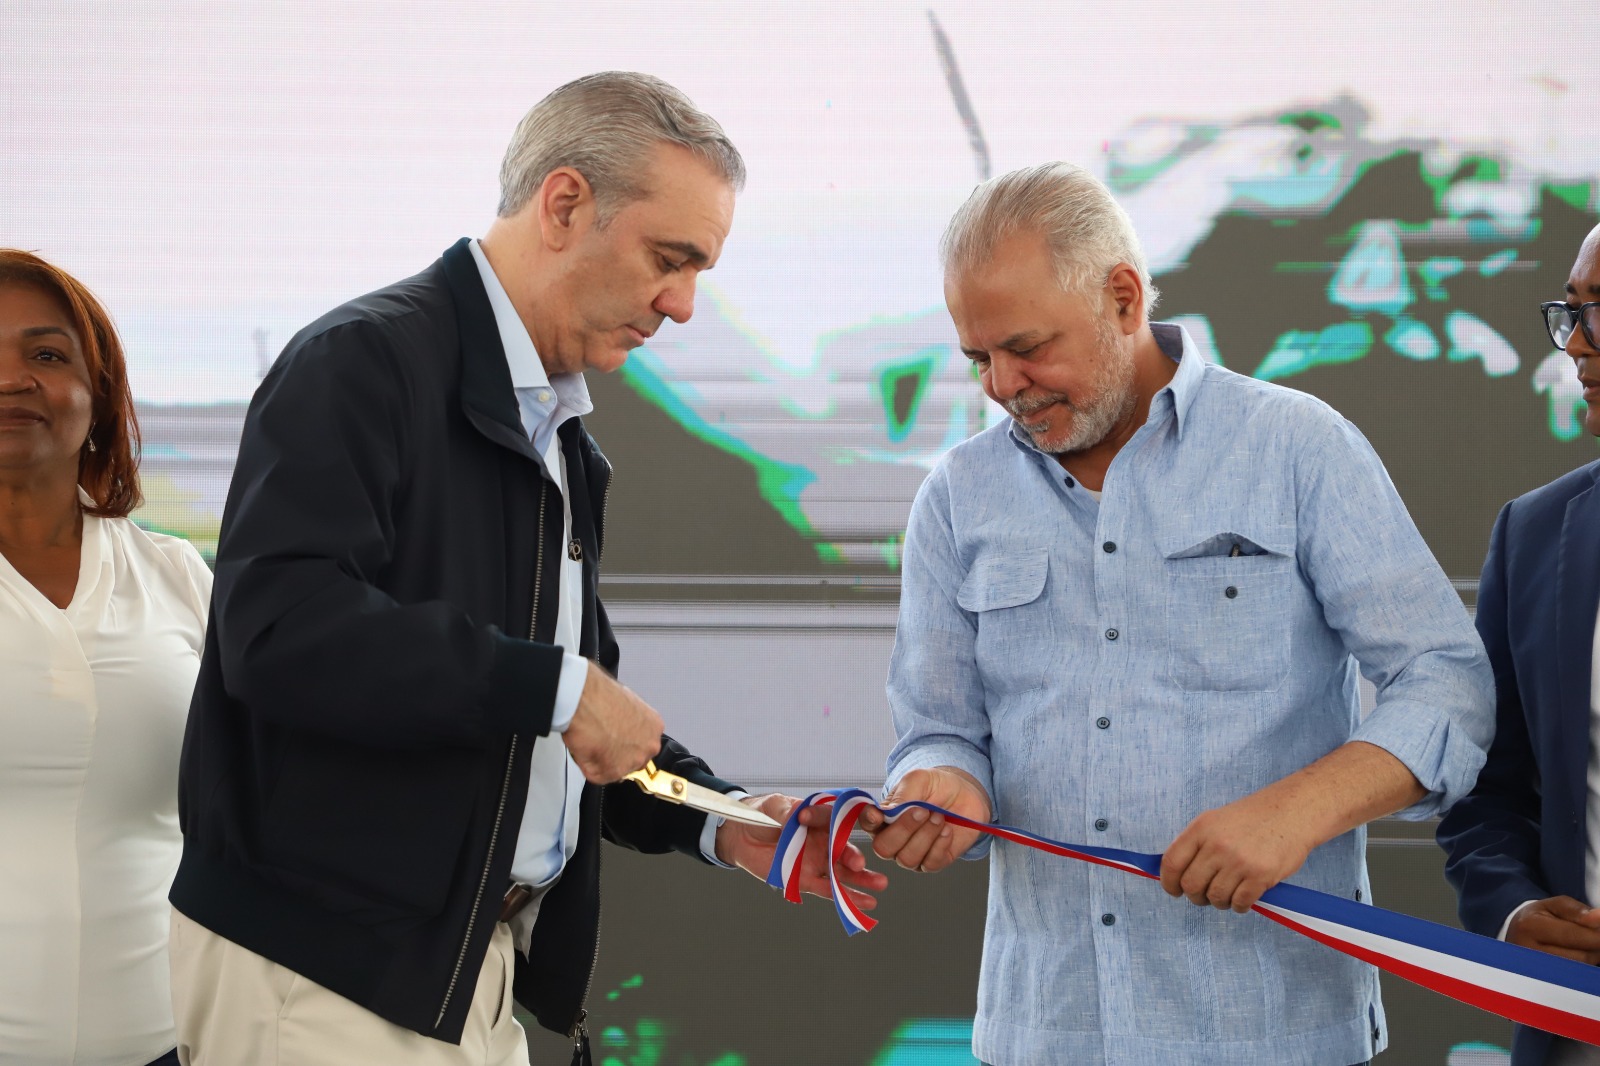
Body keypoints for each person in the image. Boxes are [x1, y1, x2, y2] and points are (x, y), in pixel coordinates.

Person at [167, 72, 883, 1066]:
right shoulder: (358, 362)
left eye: (698, 273)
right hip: (322, 973)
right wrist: (554, 685)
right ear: (562, 204)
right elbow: (278, 629)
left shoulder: (564, 439)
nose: (681, 305)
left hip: (461, 974)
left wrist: (721, 820)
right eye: (669, 260)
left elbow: (555, 733)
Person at [862, 163, 1495, 1065]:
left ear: (1124, 298)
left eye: (1027, 347)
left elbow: (1449, 685)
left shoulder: (1298, 448)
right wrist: (942, 784)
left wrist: (1295, 813)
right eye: (979, 358)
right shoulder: (957, 497)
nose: (1003, 385)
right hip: (1049, 1030)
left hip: (1274, 1031)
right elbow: (939, 733)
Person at [0, 249, 211, 1066]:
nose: (14, 379)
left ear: (100, 395)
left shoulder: (178, 579)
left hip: (170, 1044)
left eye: (46, 355)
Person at [1437, 223, 1600, 1066]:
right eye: (1569, 313)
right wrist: (1510, 912)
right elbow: (1483, 789)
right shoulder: (1535, 532)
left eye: (1599, 313)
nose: (1574, 344)